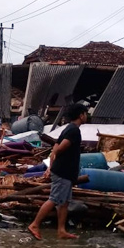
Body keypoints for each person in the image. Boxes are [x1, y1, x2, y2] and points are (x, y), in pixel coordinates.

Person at [27, 103, 87, 240]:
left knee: (64, 202)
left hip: (64, 172)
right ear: (80, 115)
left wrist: (50, 166)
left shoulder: (68, 128)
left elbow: (55, 147)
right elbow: (59, 149)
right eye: (85, 113)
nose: (86, 116)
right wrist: (54, 162)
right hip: (63, 172)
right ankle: (35, 224)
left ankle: (61, 230)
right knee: (54, 199)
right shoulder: (73, 131)